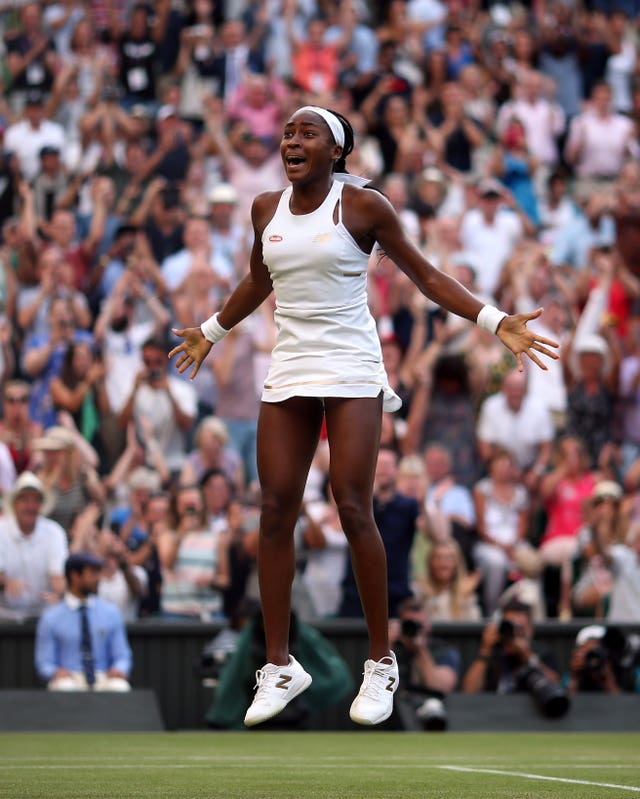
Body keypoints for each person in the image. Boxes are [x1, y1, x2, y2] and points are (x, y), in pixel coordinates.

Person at [168, 105, 558, 729]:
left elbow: (426, 276)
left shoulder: (366, 207)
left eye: (308, 133)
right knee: (274, 509)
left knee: (352, 503)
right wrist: (211, 331)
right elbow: (256, 281)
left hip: (351, 366)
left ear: (337, 152)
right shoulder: (264, 208)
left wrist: (494, 321)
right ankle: (279, 665)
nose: (292, 139)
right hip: (290, 367)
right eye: (288, 131)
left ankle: (382, 661)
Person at [34, 551, 132, 692]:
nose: (98, 578)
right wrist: (55, 672)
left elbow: (122, 656)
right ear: (75, 576)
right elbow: (44, 663)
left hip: (103, 677)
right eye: (92, 573)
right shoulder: (51, 618)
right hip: (69, 678)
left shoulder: (111, 613)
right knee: (64, 688)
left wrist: (119, 669)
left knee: (120, 688)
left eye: (98, 573)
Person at [0, 471, 68, 619]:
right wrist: (6, 582)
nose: (30, 506)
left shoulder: (54, 532)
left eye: (36, 500)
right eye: (24, 500)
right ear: (14, 503)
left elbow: (58, 576)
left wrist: (59, 593)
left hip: (45, 615)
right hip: (4, 616)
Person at [390, 597, 461, 731]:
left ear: (428, 626)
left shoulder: (443, 651)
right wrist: (385, 645)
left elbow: (441, 686)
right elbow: (372, 685)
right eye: (410, 625)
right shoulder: (392, 650)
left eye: (419, 625)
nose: (414, 630)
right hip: (394, 719)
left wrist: (421, 650)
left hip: (433, 720)